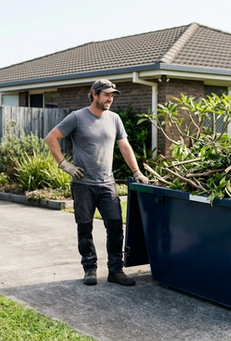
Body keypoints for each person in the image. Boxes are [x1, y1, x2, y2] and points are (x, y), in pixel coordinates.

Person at [45, 79, 149, 286]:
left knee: (116, 226)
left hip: (107, 183)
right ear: (95, 94)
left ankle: (115, 271)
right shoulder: (77, 117)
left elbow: (124, 146)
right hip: (83, 184)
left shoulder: (114, 119)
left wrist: (136, 171)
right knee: (85, 226)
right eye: (106, 94)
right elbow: (51, 138)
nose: (110, 98)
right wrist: (65, 165)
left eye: (112, 95)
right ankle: (90, 268)